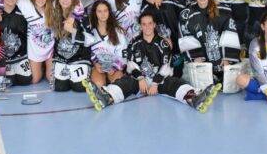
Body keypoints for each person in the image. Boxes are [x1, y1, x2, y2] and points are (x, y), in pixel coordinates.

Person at [82, 12, 221, 112]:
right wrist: (141, 78)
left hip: (158, 81)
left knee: (174, 83)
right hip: (139, 81)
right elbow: (130, 64)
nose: (147, 27)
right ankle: (107, 97)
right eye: (144, 24)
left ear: (154, 25)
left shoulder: (163, 43)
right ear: (140, 26)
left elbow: (166, 67)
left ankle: (194, 98)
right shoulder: (134, 42)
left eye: (150, 24)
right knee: (125, 82)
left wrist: (155, 83)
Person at [177, 0, 241, 84]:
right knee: (203, 84)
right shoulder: (187, 15)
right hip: (202, 60)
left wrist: (227, 57)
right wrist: (194, 57)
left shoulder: (223, 11)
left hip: (220, 59)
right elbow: (185, 34)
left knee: (227, 85)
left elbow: (230, 32)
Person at [51, 0, 90, 92]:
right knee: (59, 87)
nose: (65, 0)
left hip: (79, 58)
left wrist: (73, 31)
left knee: (80, 87)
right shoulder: (55, 15)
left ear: (73, 0)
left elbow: (90, 40)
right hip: (61, 59)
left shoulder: (82, 17)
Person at [17, 0, 55, 83]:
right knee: (35, 79)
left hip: (50, 50)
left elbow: (77, 3)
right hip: (35, 50)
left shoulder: (53, 8)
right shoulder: (26, 5)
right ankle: (40, 67)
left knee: (51, 79)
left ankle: (46, 67)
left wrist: (72, 18)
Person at [86, 0, 128, 87]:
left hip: (114, 66)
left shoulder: (118, 31)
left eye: (105, 11)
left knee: (117, 84)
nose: (103, 14)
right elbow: (88, 52)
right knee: (98, 85)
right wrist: (96, 64)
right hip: (98, 66)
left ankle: (111, 82)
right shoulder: (90, 31)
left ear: (109, 12)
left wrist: (115, 67)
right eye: (99, 11)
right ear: (95, 13)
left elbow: (123, 55)